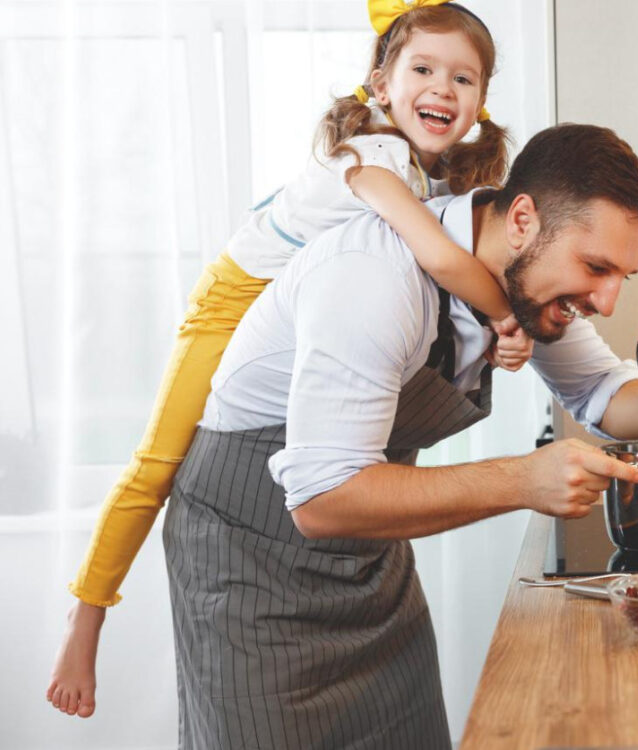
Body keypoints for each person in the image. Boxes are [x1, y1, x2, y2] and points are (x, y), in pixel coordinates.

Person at [47, 0, 532, 720]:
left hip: (292, 311)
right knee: (159, 463)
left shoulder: (437, 180)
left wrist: (501, 334)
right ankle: (84, 620)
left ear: (482, 101)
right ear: (381, 82)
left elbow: (444, 283)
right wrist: (506, 315)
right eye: (423, 69)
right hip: (235, 297)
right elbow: (439, 258)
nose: (442, 88)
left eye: (463, 78)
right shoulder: (372, 156)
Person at [164, 122, 638, 748]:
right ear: (522, 220)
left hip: (369, 564)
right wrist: (523, 480)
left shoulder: (524, 286)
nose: (608, 301)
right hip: (250, 573)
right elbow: (322, 499)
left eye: (623, 276)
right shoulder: (374, 275)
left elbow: (603, 394)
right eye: (596, 267)